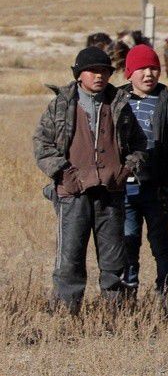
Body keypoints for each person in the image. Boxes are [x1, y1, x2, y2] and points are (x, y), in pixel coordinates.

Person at [32, 47, 146, 313]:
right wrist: (63, 174)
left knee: (114, 260)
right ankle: (65, 315)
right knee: (69, 260)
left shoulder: (119, 104)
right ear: (79, 74)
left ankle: (116, 317)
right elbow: (42, 143)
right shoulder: (61, 104)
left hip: (111, 192)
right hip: (72, 194)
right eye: (93, 71)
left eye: (104, 71)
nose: (99, 76)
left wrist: (127, 168)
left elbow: (139, 143)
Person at [119, 44, 168, 311]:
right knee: (128, 243)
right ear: (129, 73)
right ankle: (127, 299)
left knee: (161, 243)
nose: (149, 74)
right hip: (124, 190)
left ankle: (166, 295)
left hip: (157, 190)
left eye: (153, 68)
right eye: (141, 69)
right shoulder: (117, 103)